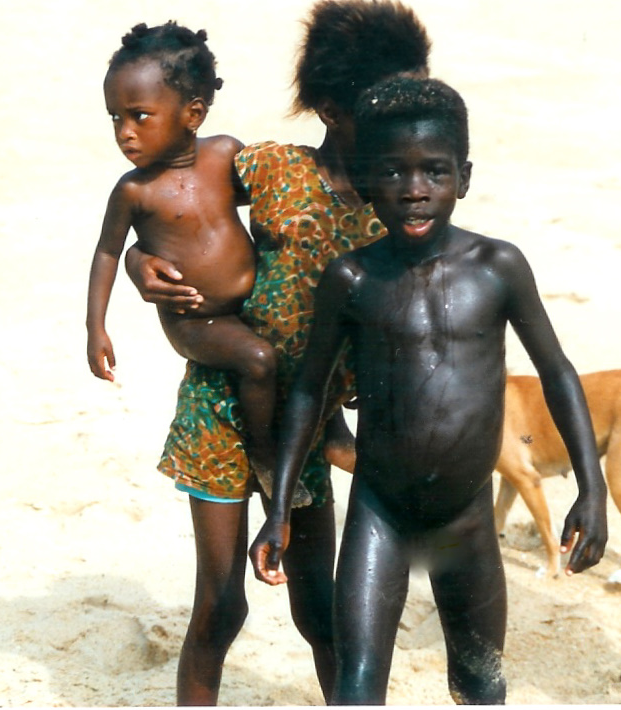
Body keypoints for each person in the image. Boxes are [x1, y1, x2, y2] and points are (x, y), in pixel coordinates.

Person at [248, 75, 609, 705]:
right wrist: (278, 506)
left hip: (464, 519)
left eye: (434, 173)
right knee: (357, 687)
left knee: (479, 684)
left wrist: (592, 485)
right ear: (366, 180)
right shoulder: (352, 277)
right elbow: (309, 391)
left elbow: (557, 371)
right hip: (379, 512)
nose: (414, 190)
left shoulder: (498, 268)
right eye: (393, 172)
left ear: (463, 178)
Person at [121, 2, 433, 704]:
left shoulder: (406, 208)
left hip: (309, 428)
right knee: (219, 606)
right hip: (222, 407)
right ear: (328, 105)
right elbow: (171, 202)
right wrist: (141, 259)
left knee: (320, 612)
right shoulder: (266, 168)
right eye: (386, 107)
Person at [85, 22, 303, 503]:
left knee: (298, 349)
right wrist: (96, 328)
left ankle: (325, 439)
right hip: (196, 317)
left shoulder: (226, 155)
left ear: (193, 113)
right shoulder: (135, 190)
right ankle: (265, 458)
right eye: (115, 118)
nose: (125, 132)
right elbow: (107, 251)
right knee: (258, 359)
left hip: (251, 305)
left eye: (140, 116)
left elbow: (276, 198)